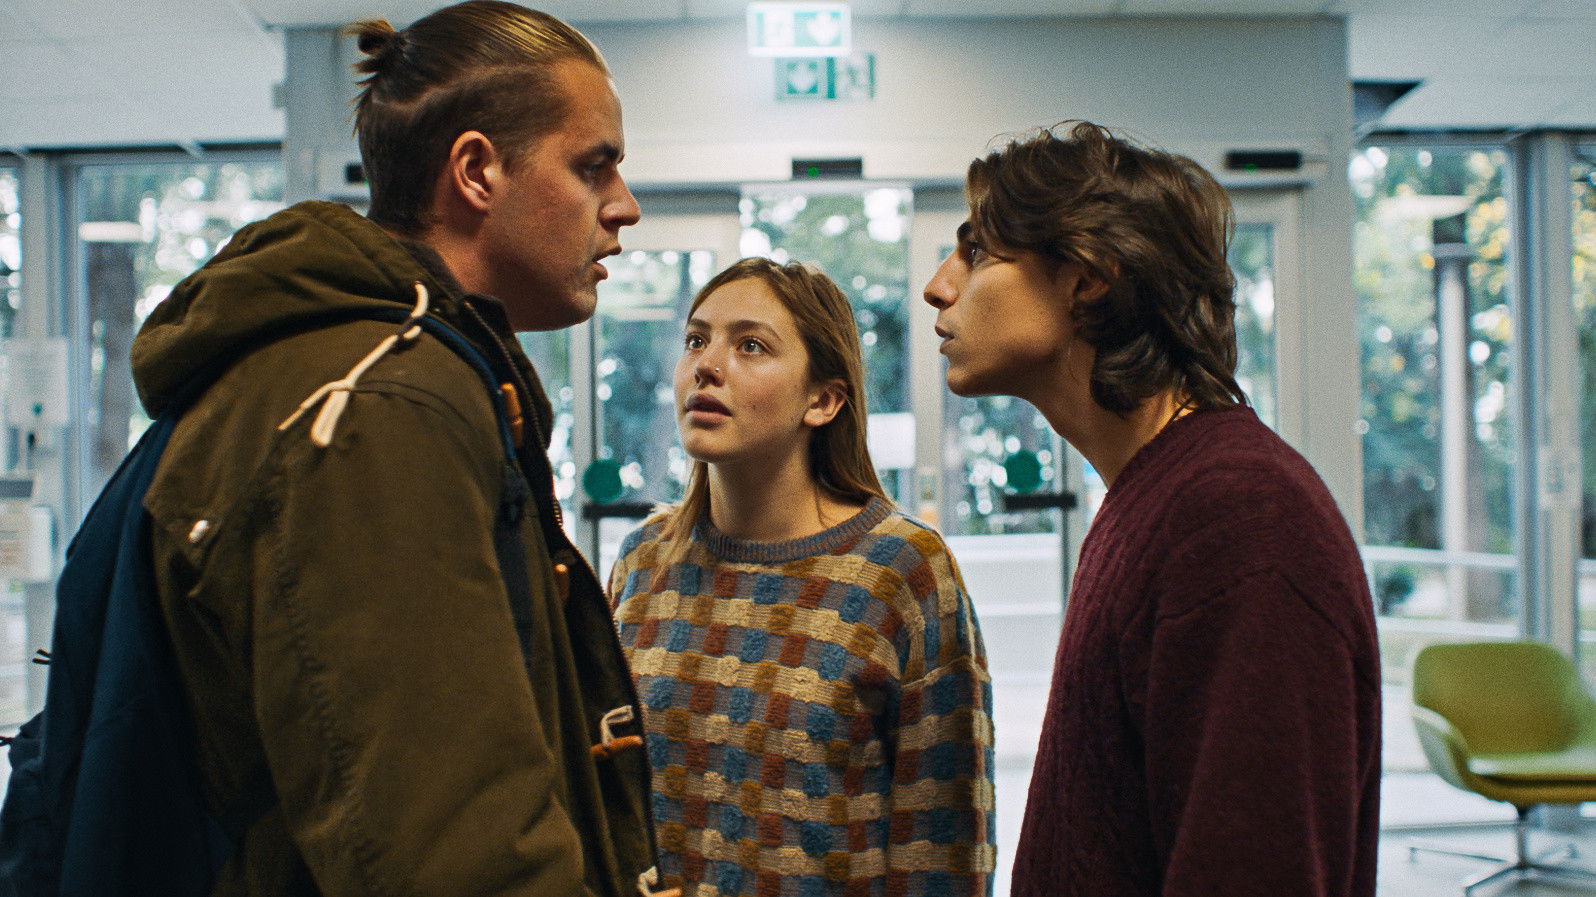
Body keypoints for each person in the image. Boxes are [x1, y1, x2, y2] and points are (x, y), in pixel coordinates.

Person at [129, 3, 664, 895]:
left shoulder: (387, 371)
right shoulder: (382, 409)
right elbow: (456, 853)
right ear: (477, 171)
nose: (625, 206)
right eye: (592, 166)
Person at [922, 122, 1381, 897]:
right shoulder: (1159, 496)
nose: (939, 285)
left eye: (978, 252)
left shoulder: (1242, 519)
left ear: (1087, 278)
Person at [609, 258, 996, 897]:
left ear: (823, 400)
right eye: (697, 340)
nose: (707, 365)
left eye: (751, 346)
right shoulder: (643, 560)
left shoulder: (900, 569)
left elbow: (945, 849)